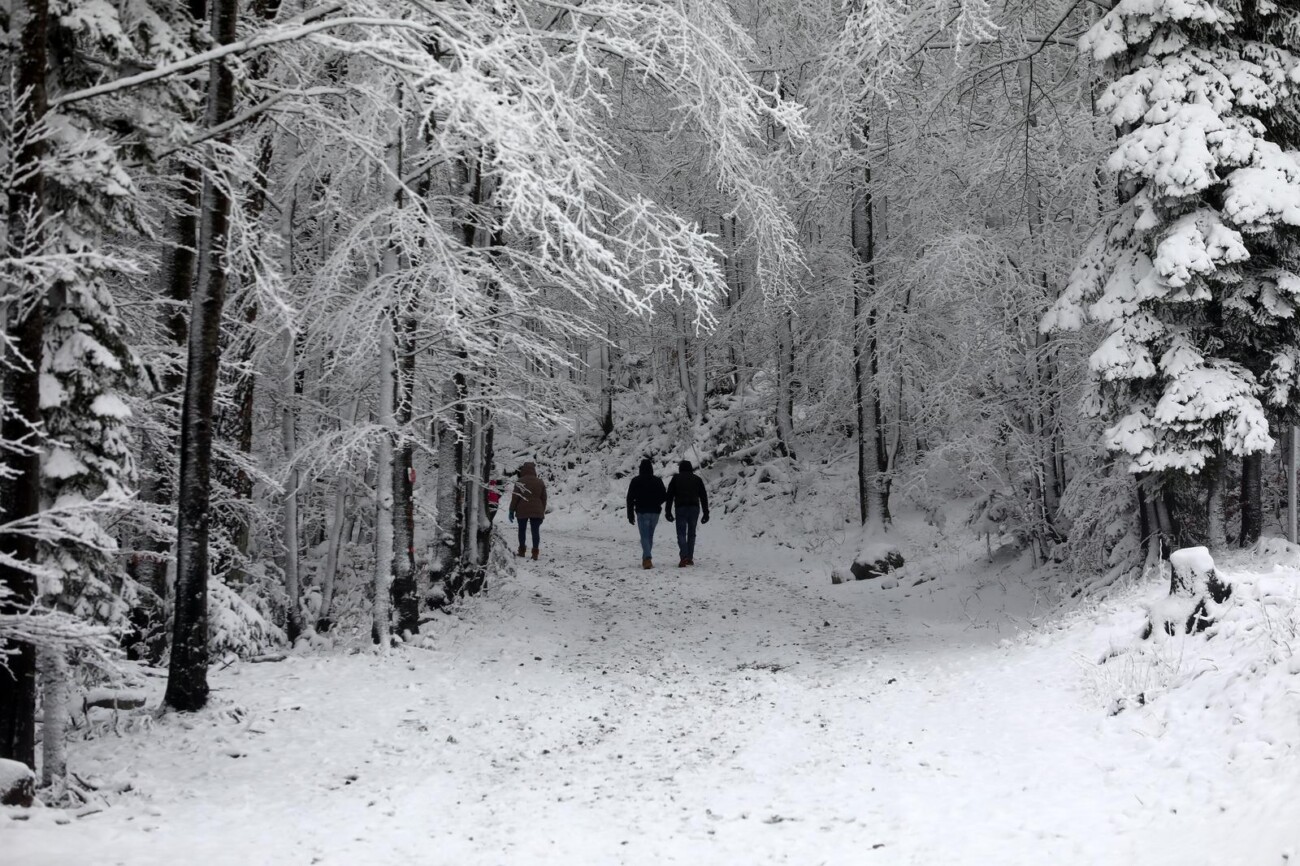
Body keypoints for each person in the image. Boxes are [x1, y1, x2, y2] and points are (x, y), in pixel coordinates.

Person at [664, 459, 709, 567]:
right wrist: (706, 512)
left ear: (680, 468)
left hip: (681, 508)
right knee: (692, 533)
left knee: (681, 533)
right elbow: (703, 496)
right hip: (694, 508)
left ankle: (684, 556)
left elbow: (669, 496)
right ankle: (689, 557)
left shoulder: (676, 479)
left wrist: (668, 511)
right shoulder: (697, 479)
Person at [626, 458, 667, 569]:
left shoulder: (635, 481)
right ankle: (646, 559)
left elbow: (630, 498)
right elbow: (664, 496)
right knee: (649, 536)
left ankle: (647, 558)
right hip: (655, 512)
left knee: (644, 536)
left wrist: (630, 514)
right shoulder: (658, 480)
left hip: (642, 511)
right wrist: (657, 502)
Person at [508, 462, 548, 560]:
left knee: (522, 530)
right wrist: (542, 511)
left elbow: (515, 497)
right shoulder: (540, 482)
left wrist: (511, 510)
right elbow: (544, 498)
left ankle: (521, 551)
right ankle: (535, 553)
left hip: (522, 509)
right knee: (535, 531)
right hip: (537, 509)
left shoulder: (520, 481)